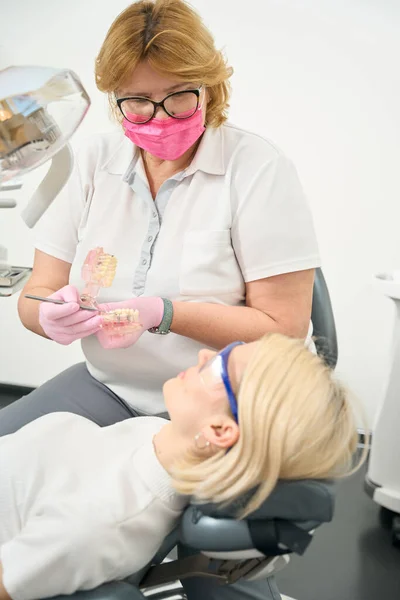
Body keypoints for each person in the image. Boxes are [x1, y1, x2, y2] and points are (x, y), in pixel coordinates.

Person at [2, 1, 320, 599]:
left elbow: (283, 327)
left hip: (213, 405)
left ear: (211, 85)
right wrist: (47, 314)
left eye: (179, 96)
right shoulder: (92, 162)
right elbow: (36, 294)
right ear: (112, 98)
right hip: (106, 386)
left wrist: (164, 312)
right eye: (137, 101)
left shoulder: (257, 170)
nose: (158, 115)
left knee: (218, 575)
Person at [0, 334, 362, 600]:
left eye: (221, 365)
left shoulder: (99, 524)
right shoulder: (162, 437)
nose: (205, 354)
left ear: (219, 430)